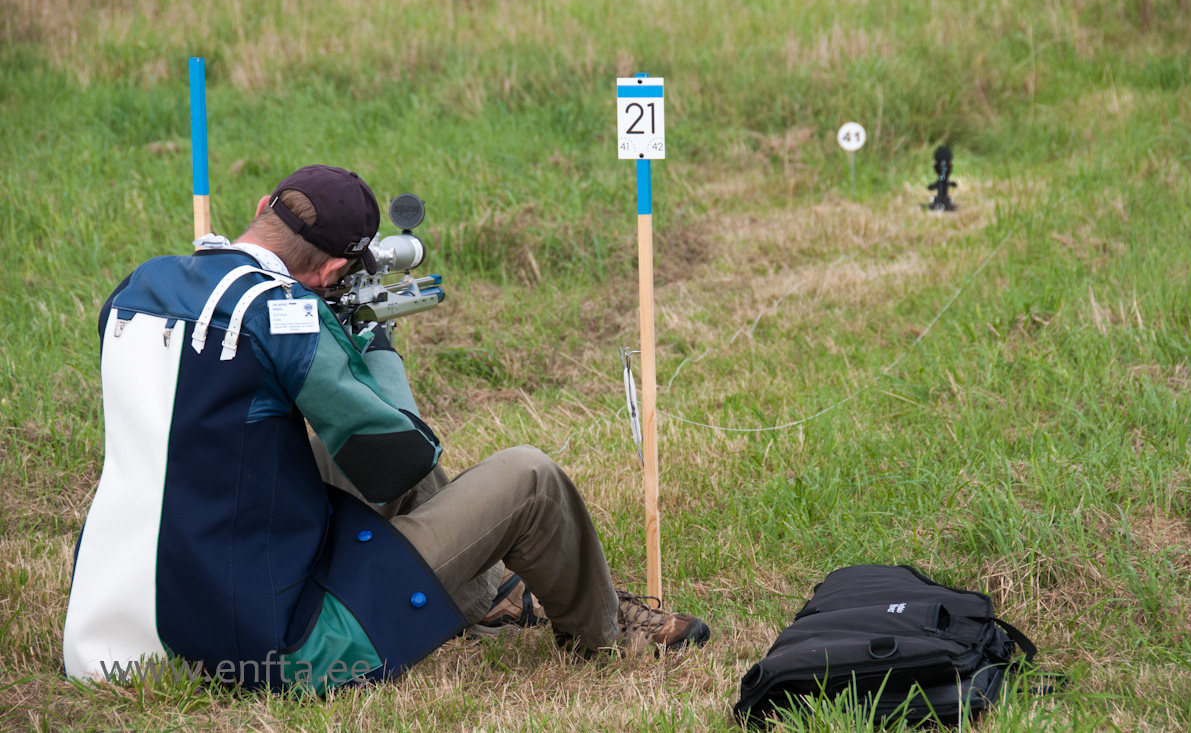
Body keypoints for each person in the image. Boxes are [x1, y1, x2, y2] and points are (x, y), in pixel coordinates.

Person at [62, 165, 709, 693]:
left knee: (313, 444)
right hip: (262, 648)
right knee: (529, 477)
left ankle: (488, 597)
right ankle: (604, 633)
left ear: (262, 206)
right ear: (332, 275)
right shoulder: (284, 315)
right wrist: (373, 345)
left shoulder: (139, 286)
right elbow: (399, 454)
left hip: (112, 636)